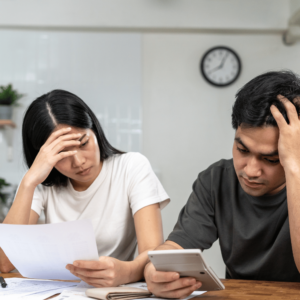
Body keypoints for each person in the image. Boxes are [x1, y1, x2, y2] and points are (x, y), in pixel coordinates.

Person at [144, 70, 300, 298]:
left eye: (272, 159)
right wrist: (154, 272)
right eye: (242, 150)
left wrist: (294, 168)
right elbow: (175, 248)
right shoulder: (216, 180)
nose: (250, 171)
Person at [0, 90, 170, 287]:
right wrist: (29, 181)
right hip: (56, 291)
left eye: (83, 143)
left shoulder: (131, 167)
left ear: (95, 131)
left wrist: (127, 272)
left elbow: (153, 254)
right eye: (61, 154)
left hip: (113, 292)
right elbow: (4, 263)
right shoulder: (41, 182)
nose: (79, 162)